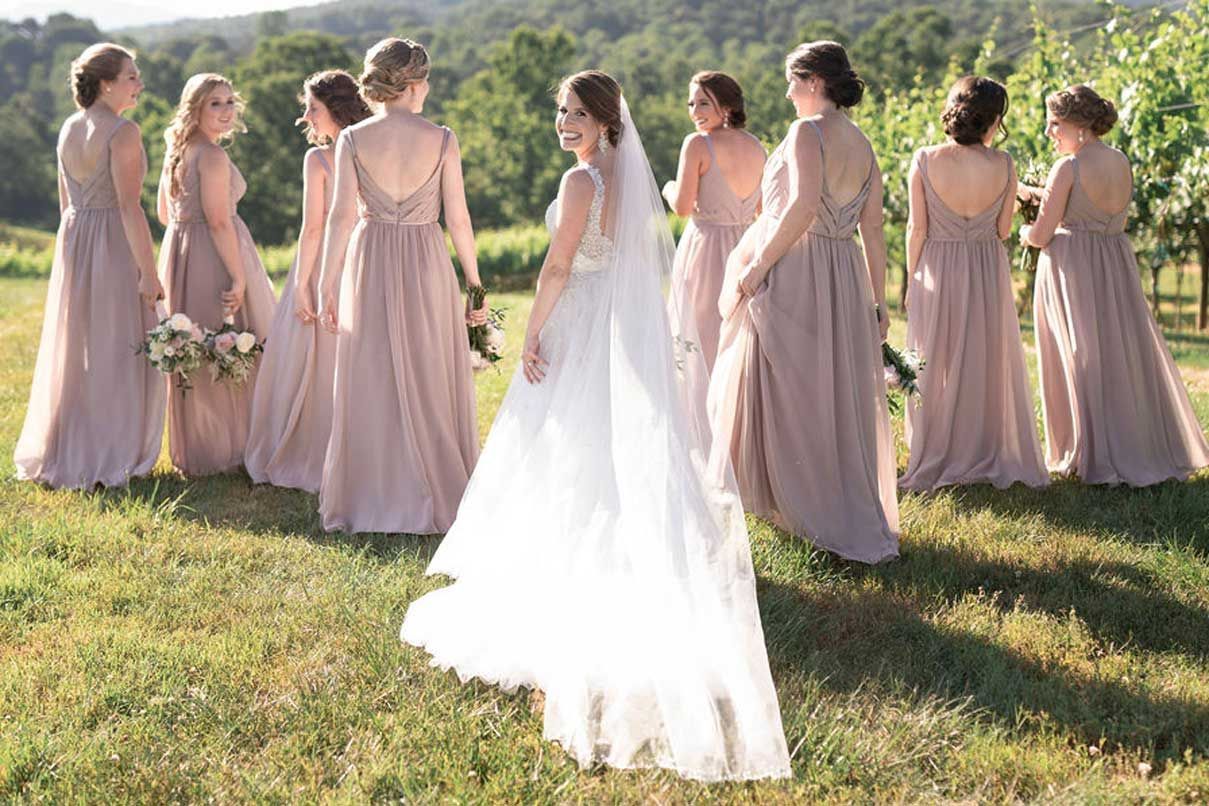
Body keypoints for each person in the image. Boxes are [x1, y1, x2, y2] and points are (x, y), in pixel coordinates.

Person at [401, 70, 791, 781]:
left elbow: (557, 266)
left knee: (559, 452)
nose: (563, 123)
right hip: (613, 329)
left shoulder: (584, 182)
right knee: (601, 454)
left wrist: (529, 333)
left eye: (576, 113)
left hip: (578, 325)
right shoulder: (623, 173)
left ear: (608, 120)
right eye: (559, 111)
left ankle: (563, 585)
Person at [709, 41, 899, 563]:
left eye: (794, 82)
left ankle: (796, 501)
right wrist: (878, 300)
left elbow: (801, 205)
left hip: (798, 264)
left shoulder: (806, 132)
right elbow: (875, 228)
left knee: (785, 382)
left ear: (815, 82)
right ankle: (809, 497)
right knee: (828, 387)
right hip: (843, 272)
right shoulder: (862, 143)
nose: (789, 93)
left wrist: (758, 265)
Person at [316, 39, 483, 533]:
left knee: (371, 370)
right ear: (412, 84)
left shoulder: (352, 140)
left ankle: (372, 492)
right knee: (430, 366)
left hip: (369, 258)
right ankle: (432, 487)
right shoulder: (442, 138)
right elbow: (459, 218)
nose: (426, 89)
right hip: (426, 258)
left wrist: (327, 283)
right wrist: (474, 282)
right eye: (425, 80)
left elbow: (341, 217)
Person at [1021, 84, 1209, 485]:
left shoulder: (1067, 167)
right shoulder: (1120, 161)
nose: (1049, 132)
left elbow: (1042, 234)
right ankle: (1130, 441)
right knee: (1116, 354)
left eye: (1055, 124)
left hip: (1074, 269)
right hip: (1114, 264)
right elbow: (1091, 209)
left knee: (1079, 356)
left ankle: (1087, 449)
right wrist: (1036, 193)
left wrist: (1023, 231)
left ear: (1079, 125)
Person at [14, 43, 165, 489]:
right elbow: (129, 207)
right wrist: (149, 272)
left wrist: (70, 252)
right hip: (113, 242)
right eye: (132, 76)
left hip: (75, 238)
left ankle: (73, 444)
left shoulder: (68, 127)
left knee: (79, 343)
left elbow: (66, 204)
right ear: (106, 84)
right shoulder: (123, 132)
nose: (139, 84)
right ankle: (109, 450)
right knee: (119, 343)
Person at [899, 76, 1048, 491]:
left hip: (937, 265)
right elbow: (1003, 230)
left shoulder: (925, 159)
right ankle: (981, 444)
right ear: (994, 120)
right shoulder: (1004, 165)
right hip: (985, 268)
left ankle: (934, 444)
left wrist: (911, 280)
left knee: (934, 357)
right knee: (984, 357)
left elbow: (916, 228)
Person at [245, 70, 371, 492]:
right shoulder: (375, 149)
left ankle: (315, 450)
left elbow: (313, 229)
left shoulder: (319, 160)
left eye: (312, 108)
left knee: (315, 365)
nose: (305, 117)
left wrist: (302, 283)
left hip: (324, 264)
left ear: (335, 110)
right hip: (368, 259)